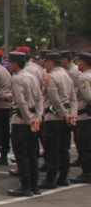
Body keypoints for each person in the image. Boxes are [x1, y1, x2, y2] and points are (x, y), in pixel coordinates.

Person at [7, 52, 42, 196]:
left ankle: (25, 186)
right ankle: (35, 185)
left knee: (21, 154)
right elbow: (40, 97)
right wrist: (38, 117)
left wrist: (28, 120)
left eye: (10, 62)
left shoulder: (16, 79)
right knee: (32, 153)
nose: (9, 65)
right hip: (34, 117)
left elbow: (21, 102)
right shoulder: (32, 77)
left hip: (22, 121)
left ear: (15, 63)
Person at [40, 51, 77, 189]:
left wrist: (62, 114)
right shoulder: (67, 76)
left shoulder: (51, 77)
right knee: (64, 149)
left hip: (54, 117)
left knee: (51, 149)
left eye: (45, 62)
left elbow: (54, 98)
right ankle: (63, 176)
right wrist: (71, 114)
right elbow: (73, 97)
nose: (44, 65)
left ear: (50, 62)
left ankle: (50, 179)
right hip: (66, 115)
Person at [72, 52, 91, 183]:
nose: (77, 63)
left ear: (84, 63)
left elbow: (88, 97)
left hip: (84, 115)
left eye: (79, 61)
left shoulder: (84, 77)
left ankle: (87, 173)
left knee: (84, 145)